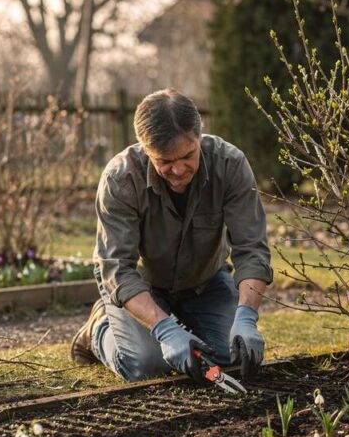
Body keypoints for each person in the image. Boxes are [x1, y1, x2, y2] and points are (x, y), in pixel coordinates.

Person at [70, 88, 272, 383]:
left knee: (234, 356)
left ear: (199, 137)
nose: (178, 169)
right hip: (143, 289)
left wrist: (246, 316)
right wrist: (163, 328)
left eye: (188, 155)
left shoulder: (229, 165)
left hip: (206, 283)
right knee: (146, 365)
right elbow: (117, 268)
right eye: (164, 160)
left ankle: (181, 325)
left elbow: (252, 250)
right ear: (145, 148)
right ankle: (99, 328)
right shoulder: (121, 179)